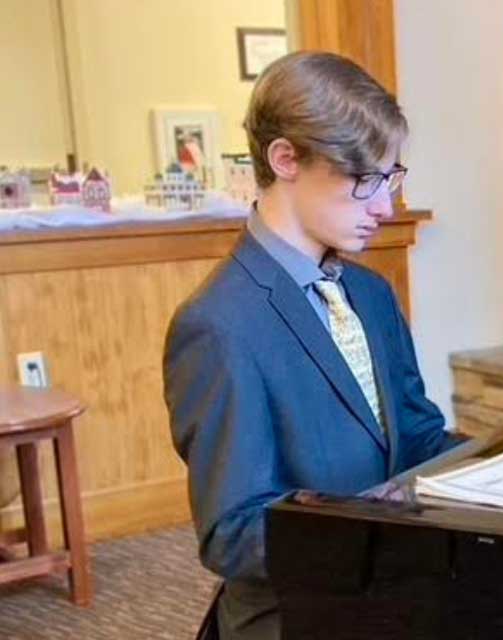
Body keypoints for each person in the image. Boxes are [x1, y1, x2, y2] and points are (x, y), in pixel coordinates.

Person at [163, 51, 457, 640]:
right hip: (298, 619)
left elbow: (419, 439)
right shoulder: (219, 325)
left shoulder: (371, 294)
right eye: (363, 180)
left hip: (389, 591)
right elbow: (236, 532)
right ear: (285, 158)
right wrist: (380, 536)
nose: (385, 206)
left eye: (392, 179)